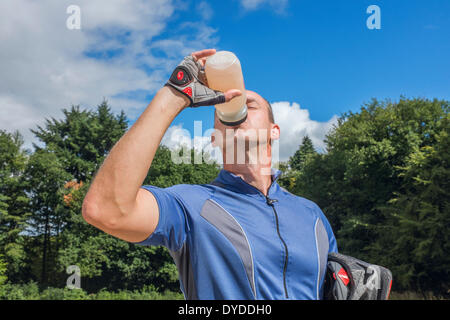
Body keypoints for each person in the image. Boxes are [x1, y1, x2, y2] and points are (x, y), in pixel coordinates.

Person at [82, 49, 338, 300]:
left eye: (250, 105)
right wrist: (174, 94)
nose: (239, 109)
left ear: (274, 131)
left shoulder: (312, 215)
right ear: (215, 137)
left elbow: (337, 286)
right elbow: (106, 209)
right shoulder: (191, 205)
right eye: (223, 106)